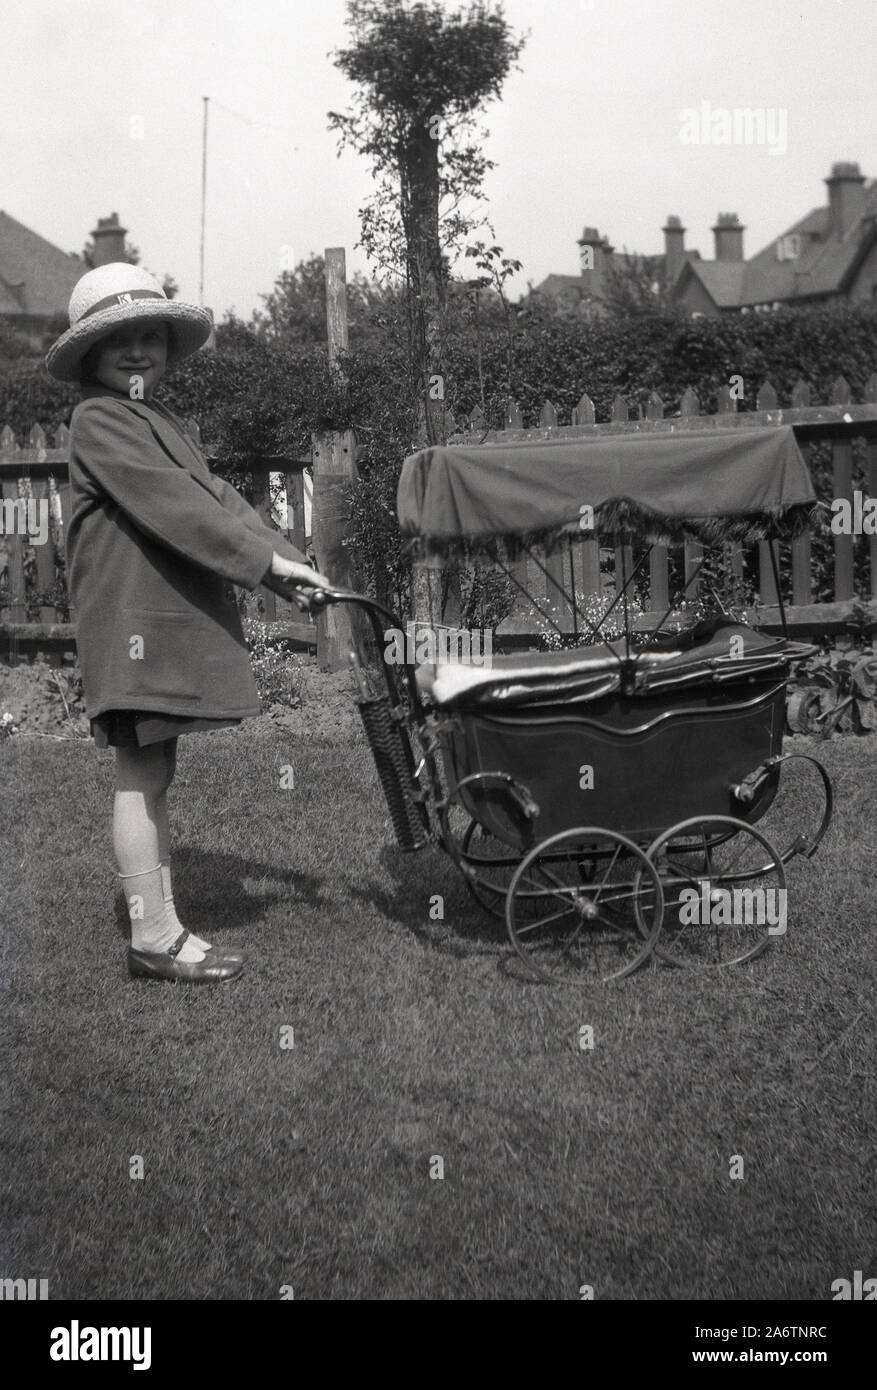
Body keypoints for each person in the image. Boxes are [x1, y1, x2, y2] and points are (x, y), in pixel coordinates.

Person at [46, 263, 332, 985]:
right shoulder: (100, 419)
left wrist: (290, 565)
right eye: (120, 342)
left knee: (155, 769)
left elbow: (216, 498)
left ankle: (159, 924)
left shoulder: (157, 420)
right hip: (130, 625)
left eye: (151, 336)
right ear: (90, 357)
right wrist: (262, 567)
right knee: (141, 771)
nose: (138, 352)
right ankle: (153, 937)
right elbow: (176, 506)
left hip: (154, 622)